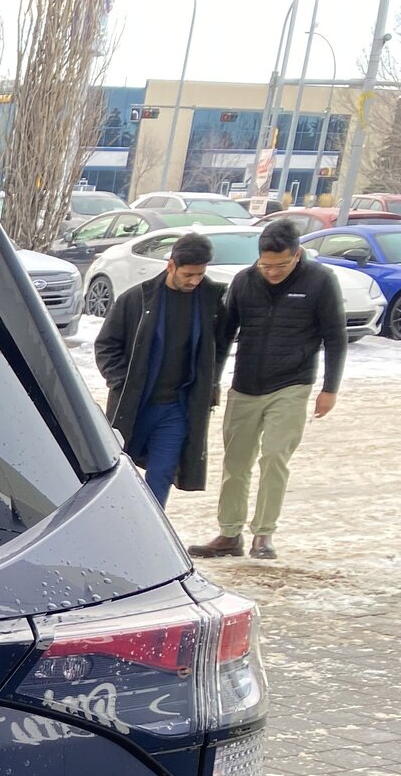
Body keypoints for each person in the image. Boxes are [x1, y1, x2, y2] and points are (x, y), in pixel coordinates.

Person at [191, 218, 345, 561]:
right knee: (236, 462)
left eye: (281, 265)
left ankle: (264, 533)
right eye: (266, 265)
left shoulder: (320, 281)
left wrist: (330, 388)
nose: (272, 272)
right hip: (245, 385)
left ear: (297, 255)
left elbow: (336, 336)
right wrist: (213, 382)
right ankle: (230, 533)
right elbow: (224, 336)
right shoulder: (245, 281)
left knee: (275, 456)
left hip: (292, 384)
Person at [94, 231, 223, 505]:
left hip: (177, 408)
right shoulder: (137, 300)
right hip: (136, 404)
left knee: (162, 472)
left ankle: (151, 524)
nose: (194, 281)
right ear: (171, 265)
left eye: (200, 274)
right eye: (188, 274)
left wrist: (211, 384)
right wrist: (122, 381)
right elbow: (106, 345)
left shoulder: (210, 301)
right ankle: (119, 519)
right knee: (119, 470)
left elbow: (218, 347)